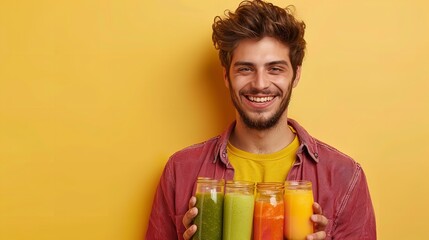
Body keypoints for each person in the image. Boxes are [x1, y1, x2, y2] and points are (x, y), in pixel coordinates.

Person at [145, 0, 376, 239]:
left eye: (275, 69)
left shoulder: (344, 176)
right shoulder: (181, 171)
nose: (260, 84)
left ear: (296, 75)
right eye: (245, 69)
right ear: (226, 76)